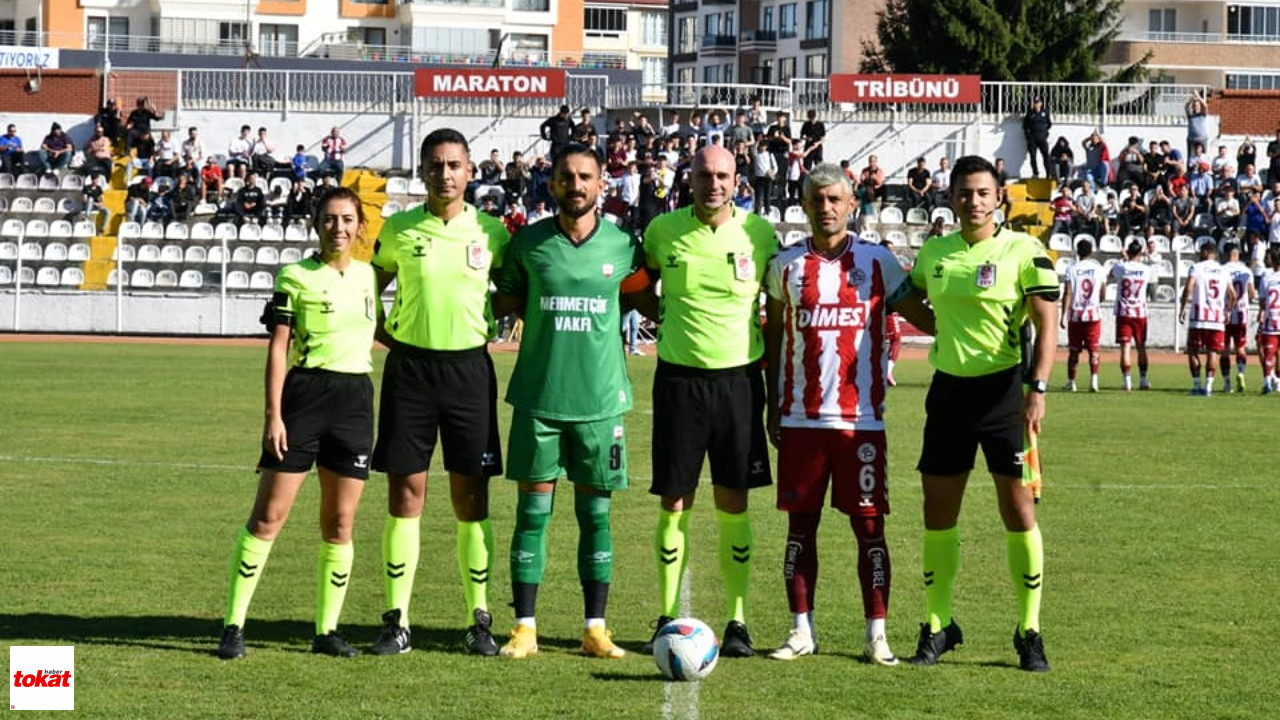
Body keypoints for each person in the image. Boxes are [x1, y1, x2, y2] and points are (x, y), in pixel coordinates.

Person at [761, 163, 934, 664]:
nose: (827, 208)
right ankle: (800, 631)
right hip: (800, 420)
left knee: (871, 530)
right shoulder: (785, 266)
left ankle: (876, 634)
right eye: (818, 201)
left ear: (852, 203)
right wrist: (774, 406)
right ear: (805, 205)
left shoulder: (879, 262)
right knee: (800, 530)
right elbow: (774, 341)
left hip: (861, 423)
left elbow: (922, 313)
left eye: (836, 200)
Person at [489, 143, 651, 660]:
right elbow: (505, 299)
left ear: (602, 184)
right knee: (532, 516)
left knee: (595, 517)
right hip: (539, 399)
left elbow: (647, 298)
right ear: (552, 183)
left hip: (602, 402)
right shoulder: (529, 243)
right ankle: (524, 627)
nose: (576, 185)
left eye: (585, 176)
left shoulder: (624, 245)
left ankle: (595, 629)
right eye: (566, 176)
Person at [904, 155, 1059, 672]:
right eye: (964, 193)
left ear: (999, 199)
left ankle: (1029, 629)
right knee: (937, 514)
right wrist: (939, 327)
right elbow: (909, 297)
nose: (973, 201)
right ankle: (937, 624)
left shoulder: (1024, 249)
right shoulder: (936, 252)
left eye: (982, 193)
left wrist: (1037, 387)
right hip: (949, 394)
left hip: (1003, 396)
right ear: (951, 197)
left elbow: (1046, 319)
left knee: (1018, 512)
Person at [217, 187, 377, 660]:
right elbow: (278, 347)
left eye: (347, 219)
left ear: (360, 225)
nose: (339, 228)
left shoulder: (369, 277)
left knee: (341, 521)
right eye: (329, 219)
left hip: (355, 402)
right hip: (305, 400)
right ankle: (233, 625)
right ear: (316, 224)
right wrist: (273, 415)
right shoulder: (294, 276)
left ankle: (326, 632)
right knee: (269, 516)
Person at [367, 128, 510, 657]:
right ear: (423, 171)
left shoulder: (493, 232)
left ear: (470, 171)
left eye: (454, 165)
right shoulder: (399, 230)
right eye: (435, 165)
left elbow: (514, 289)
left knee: (471, 497)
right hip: (411, 371)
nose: (445, 174)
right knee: (405, 494)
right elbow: (368, 285)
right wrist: (385, 332)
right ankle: (397, 621)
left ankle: (479, 618)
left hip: (469, 373)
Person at [635, 146, 777, 658]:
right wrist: (670, 318)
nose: (712, 184)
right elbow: (637, 287)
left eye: (721, 176)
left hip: (739, 384)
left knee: (733, 503)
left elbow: (775, 307)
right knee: (674, 502)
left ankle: (737, 620)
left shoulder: (760, 234)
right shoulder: (661, 232)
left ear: (737, 180)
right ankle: (669, 613)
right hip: (679, 383)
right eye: (702, 175)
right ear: (687, 179)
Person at [1179, 243, 1235, 395]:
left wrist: (1183, 308)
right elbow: (1233, 295)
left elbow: (1189, 288)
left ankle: (1197, 385)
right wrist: (1228, 311)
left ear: (1205, 252)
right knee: (1213, 352)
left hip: (1198, 317)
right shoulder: (1224, 270)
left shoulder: (1196, 267)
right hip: (1216, 319)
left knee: (1192, 351)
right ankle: (1209, 387)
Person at [1110, 240, 1155, 391]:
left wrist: (1123, 258)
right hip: (1140, 313)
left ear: (1128, 252)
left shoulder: (1121, 266)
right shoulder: (1146, 269)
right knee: (1141, 347)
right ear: (1140, 253)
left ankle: (1127, 382)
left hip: (1124, 312)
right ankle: (1143, 379)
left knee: (1125, 348)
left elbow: (1112, 274)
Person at [1061, 240, 1105, 392]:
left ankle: (1071, 382)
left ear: (1077, 252)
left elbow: (1067, 292)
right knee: (1094, 349)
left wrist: (1062, 316)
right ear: (1091, 252)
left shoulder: (1071, 269)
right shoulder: (1099, 269)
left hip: (1076, 315)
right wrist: (1096, 302)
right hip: (1093, 315)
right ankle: (1094, 381)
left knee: (1074, 350)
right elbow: (1103, 291)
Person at [1220, 243, 1256, 393]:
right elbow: (1252, 293)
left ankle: (1227, 383)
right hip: (1242, 314)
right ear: (1236, 254)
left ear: (1227, 254)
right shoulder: (1246, 270)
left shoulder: (1222, 270)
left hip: (1226, 315)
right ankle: (1240, 373)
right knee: (1241, 347)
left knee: (1224, 350)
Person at [1256, 247, 1280, 394]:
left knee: (1268, 353)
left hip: (1271, 321)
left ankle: (1267, 382)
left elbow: (1262, 302)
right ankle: (1278, 382)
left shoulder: (1267, 278)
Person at [1022, 97, 1052, 178]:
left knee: (1046, 156)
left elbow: (1049, 124)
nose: (1036, 104)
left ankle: (1048, 173)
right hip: (1032, 138)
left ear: (1041, 103)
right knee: (1033, 157)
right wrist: (1028, 136)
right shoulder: (1030, 113)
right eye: (1035, 103)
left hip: (1042, 137)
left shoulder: (1045, 112)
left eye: (1038, 103)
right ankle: (1035, 173)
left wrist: (1045, 133)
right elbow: (1025, 126)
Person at [1186, 91, 1209, 161]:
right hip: (1191, 139)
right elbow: (1186, 107)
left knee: (1203, 157)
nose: (1196, 107)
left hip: (1202, 138)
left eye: (1197, 106)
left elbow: (1205, 106)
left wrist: (1198, 97)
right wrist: (1192, 99)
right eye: (1194, 106)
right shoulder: (1190, 115)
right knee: (1190, 157)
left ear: (1200, 106)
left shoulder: (1202, 114)